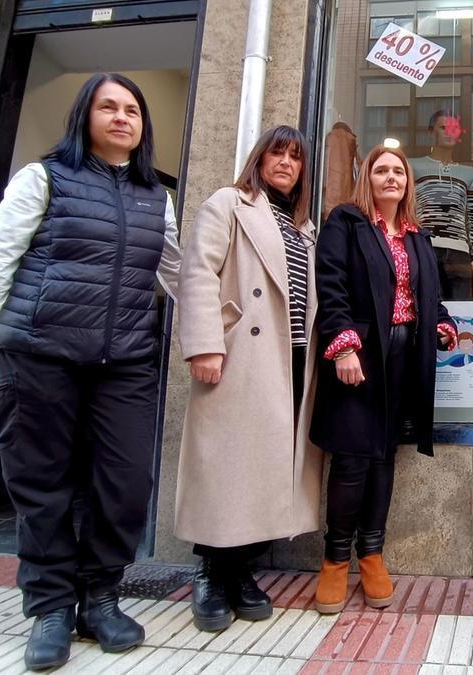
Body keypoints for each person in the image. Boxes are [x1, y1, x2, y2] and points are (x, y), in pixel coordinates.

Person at [0, 73, 181, 670]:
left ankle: (101, 597)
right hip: (38, 353)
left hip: (125, 360)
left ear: (143, 126)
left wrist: (231, 321)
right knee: (42, 485)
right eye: (108, 107)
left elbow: (178, 275)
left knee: (127, 482)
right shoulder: (43, 178)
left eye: (132, 110)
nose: (121, 117)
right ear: (85, 116)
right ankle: (52, 608)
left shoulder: (155, 197)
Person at [174, 126, 322, 632]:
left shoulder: (305, 228)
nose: (286, 162)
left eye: (296, 157)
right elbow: (196, 273)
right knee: (228, 466)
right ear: (260, 158)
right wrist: (205, 344)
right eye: (277, 152)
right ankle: (211, 573)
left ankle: (241, 572)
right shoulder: (228, 203)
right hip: (241, 355)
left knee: (267, 468)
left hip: (294, 359)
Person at [311, 145, 457, 614]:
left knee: (383, 458)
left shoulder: (418, 236)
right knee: (352, 459)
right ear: (366, 177)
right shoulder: (346, 223)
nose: (391, 177)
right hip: (359, 353)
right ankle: (335, 561)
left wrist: (442, 323)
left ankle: (372, 554)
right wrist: (344, 345)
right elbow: (329, 283)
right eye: (381, 170)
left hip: (404, 358)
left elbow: (428, 294)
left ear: (408, 182)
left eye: (399, 171)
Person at [410, 110, 473, 299]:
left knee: (461, 314)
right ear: (431, 132)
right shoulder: (412, 166)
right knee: (427, 310)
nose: (449, 132)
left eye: (454, 129)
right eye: (443, 128)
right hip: (425, 248)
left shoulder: (470, 173)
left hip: (460, 252)